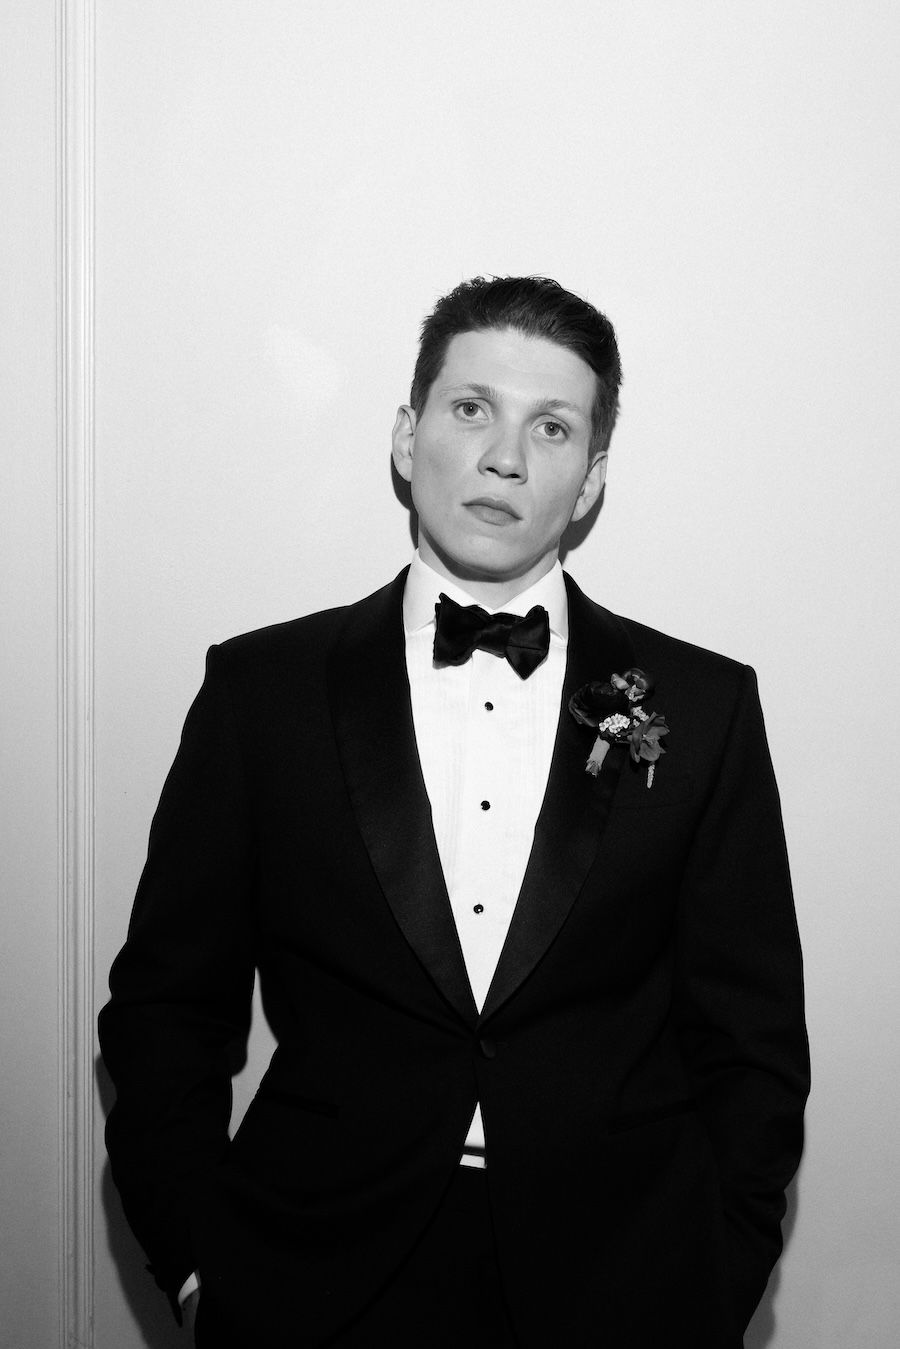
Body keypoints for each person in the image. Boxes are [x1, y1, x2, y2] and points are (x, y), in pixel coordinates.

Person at [99, 276, 809, 1348]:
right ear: (407, 434)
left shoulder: (703, 706)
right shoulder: (263, 692)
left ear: (589, 480)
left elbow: (752, 1040)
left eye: (552, 426)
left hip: (622, 1281)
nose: (506, 455)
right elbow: (166, 1008)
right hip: (316, 1275)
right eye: (472, 408)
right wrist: (203, 1263)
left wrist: (713, 1274)